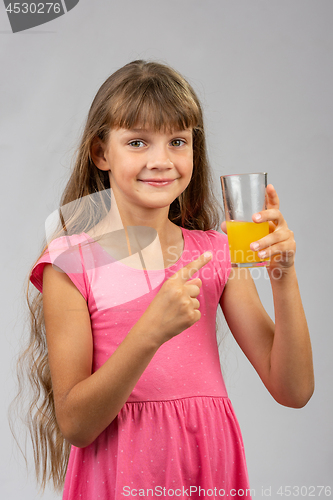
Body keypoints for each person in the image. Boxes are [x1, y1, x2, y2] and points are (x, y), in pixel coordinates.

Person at [21, 60, 314, 499]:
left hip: (207, 467)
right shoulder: (71, 263)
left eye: (178, 141)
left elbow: (293, 389)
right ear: (101, 152)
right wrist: (149, 332)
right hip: (124, 476)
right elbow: (77, 425)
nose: (161, 160)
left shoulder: (217, 253)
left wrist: (283, 276)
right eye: (137, 142)